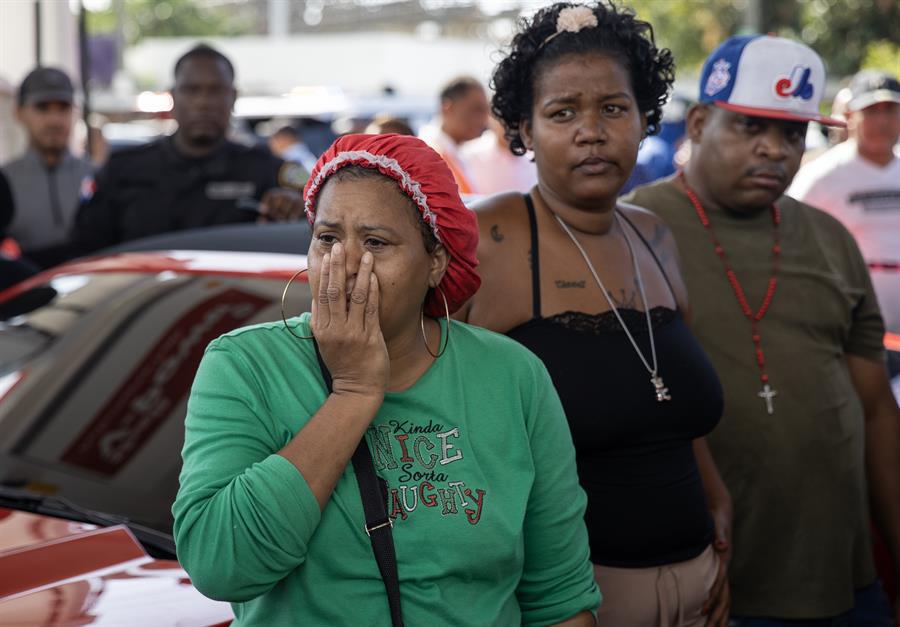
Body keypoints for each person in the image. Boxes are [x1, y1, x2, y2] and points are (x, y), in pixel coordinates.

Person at [172, 133, 601, 625]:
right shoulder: (245, 365)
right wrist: (353, 392)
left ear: (435, 262)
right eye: (327, 239)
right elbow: (220, 565)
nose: (346, 264)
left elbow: (560, 598)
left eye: (376, 242)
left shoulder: (513, 376)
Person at [456, 3, 731, 624]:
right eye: (562, 112)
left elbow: (672, 408)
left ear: (643, 118)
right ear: (522, 129)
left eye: (613, 108)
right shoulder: (489, 239)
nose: (592, 131)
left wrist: (717, 502)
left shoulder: (655, 238)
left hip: (701, 590)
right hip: (568, 607)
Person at [626, 35, 900, 625]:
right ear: (698, 123)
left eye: (792, 133)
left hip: (847, 584)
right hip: (707, 587)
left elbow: (877, 411)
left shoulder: (831, 239)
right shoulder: (634, 233)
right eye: (751, 127)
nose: (774, 150)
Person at [73, 45, 305, 254]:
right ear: (173, 96)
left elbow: (318, 224)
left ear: (233, 97)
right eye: (192, 90)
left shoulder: (266, 170)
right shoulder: (122, 169)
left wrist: (293, 208)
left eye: (215, 90)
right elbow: (86, 251)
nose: (203, 102)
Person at [790, 70, 900, 333]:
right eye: (872, 111)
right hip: (847, 317)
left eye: (890, 110)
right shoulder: (822, 175)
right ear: (850, 116)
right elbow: (787, 234)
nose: (882, 121)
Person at [1, 67, 94, 268]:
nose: (54, 120)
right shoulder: (5, 181)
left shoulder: (95, 176)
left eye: (63, 108)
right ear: (19, 112)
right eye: (42, 108)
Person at [418, 76, 489, 195]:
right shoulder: (430, 153)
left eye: (486, 111)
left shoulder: (454, 151)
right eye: (476, 110)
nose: (484, 119)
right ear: (448, 108)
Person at [461, 116, 537, 195]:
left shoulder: (537, 156)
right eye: (504, 120)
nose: (510, 127)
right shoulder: (468, 155)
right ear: (490, 119)